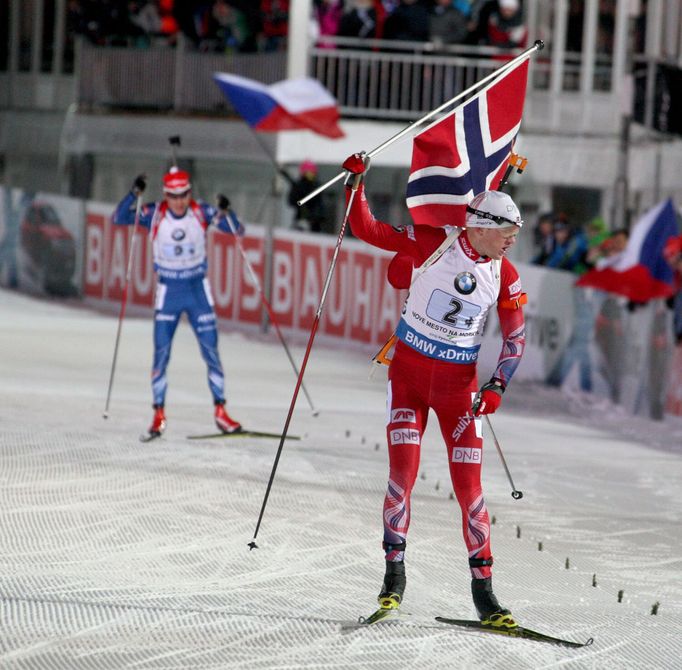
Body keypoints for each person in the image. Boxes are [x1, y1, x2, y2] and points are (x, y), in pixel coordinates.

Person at [342, 153, 527, 627]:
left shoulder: (503, 273)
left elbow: (515, 336)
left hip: (458, 391)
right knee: (402, 476)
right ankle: (393, 581)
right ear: (481, 226)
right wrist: (355, 184)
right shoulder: (434, 244)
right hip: (407, 379)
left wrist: (498, 386)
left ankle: (485, 595)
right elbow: (368, 230)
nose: (513, 239)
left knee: (470, 491)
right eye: (508, 230)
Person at [112, 167, 244, 438]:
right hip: (169, 292)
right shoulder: (154, 214)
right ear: (165, 195)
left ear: (189, 192)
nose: (179, 201)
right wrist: (134, 192)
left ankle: (221, 411)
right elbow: (119, 217)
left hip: (197, 291)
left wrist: (227, 210)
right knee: (161, 355)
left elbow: (238, 231)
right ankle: (158, 414)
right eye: (173, 196)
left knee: (211, 352)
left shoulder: (201, 212)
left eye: (184, 194)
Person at [287, 160, 327, 232]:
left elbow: (320, 204)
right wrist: (297, 194)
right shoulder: (298, 185)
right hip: (300, 220)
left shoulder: (317, 186)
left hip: (314, 223)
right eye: (308, 172)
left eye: (312, 172)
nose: (311, 174)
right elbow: (291, 202)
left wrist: (317, 217)